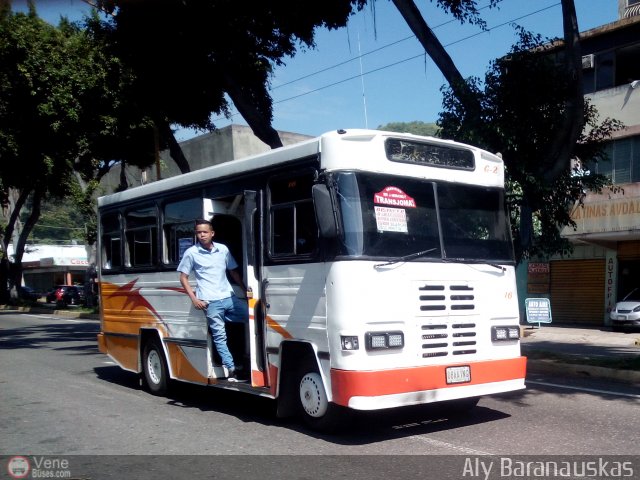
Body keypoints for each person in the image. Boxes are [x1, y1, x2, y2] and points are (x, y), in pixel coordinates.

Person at [177, 218, 250, 382]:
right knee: (220, 336)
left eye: (204, 232)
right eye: (198, 232)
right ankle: (232, 369)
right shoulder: (191, 253)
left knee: (252, 318)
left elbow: (233, 272)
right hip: (210, 302)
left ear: (212, 233)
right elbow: (183, 278)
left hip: (229, 297)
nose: (201, 235)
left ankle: (250, 359)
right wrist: (194, 299)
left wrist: (245, 290)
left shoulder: (223, 250)